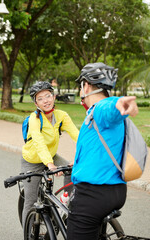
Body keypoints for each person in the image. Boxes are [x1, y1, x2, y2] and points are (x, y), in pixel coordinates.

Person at [67, 62, 138, 240]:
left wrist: (121, 103)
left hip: (93, 195)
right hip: (116, 191)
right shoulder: (93, 114)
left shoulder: (101, 109)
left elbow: (111, 107)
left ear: (86, 85)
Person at [21, 81, 79, 227]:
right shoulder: (35, 119)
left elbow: (77, 136)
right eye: (40, 98)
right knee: (30, 201)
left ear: (54, 97)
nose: (45, 100)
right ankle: (28, 232)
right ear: (36, 104)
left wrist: (85, 154)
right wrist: (50, 165)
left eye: (48, 96)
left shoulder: (61, 116)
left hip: (51, 156)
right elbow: (39, 143)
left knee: (72, 172)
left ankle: (65, 202)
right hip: (32, 161)